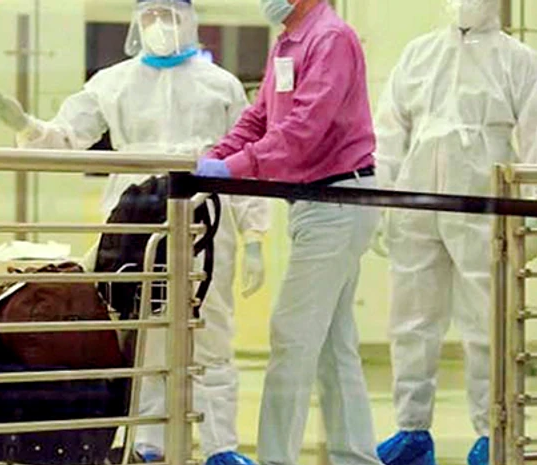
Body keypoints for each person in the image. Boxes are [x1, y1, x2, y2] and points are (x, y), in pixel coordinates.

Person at [0, 1, 270, 463]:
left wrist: (255, 234)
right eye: (151, 16)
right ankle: (149, 441)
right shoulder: (111, 83)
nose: (161, 26)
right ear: (137, 23)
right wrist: (25, 124)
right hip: (133, 216)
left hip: (206, 217)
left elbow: (246, 161)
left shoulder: (221, 85)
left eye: (170, 16)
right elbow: (65, 138)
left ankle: (221, 446)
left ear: (190, 20)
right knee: (144, 329)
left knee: (211, 330)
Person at [198, 1, 382, 465]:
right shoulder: (289, 40)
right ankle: (356, 456)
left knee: (291, 335)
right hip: (314, 203)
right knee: (333, 345)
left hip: (339, 201)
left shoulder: (330, 38)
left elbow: (303, 131)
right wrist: (217, 155)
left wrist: (233, 168)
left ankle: (276, 459)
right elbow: (262, 117)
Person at [371, 1, 537, 464]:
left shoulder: (519, 60)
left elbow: (535, 141)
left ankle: (491, 433)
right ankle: (411, 430)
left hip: (485, 208)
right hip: (415, 204)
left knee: (487, 324)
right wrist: (383, 200)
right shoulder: (419, 53)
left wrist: (529, 216)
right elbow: (388, 130)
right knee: (411, 321)